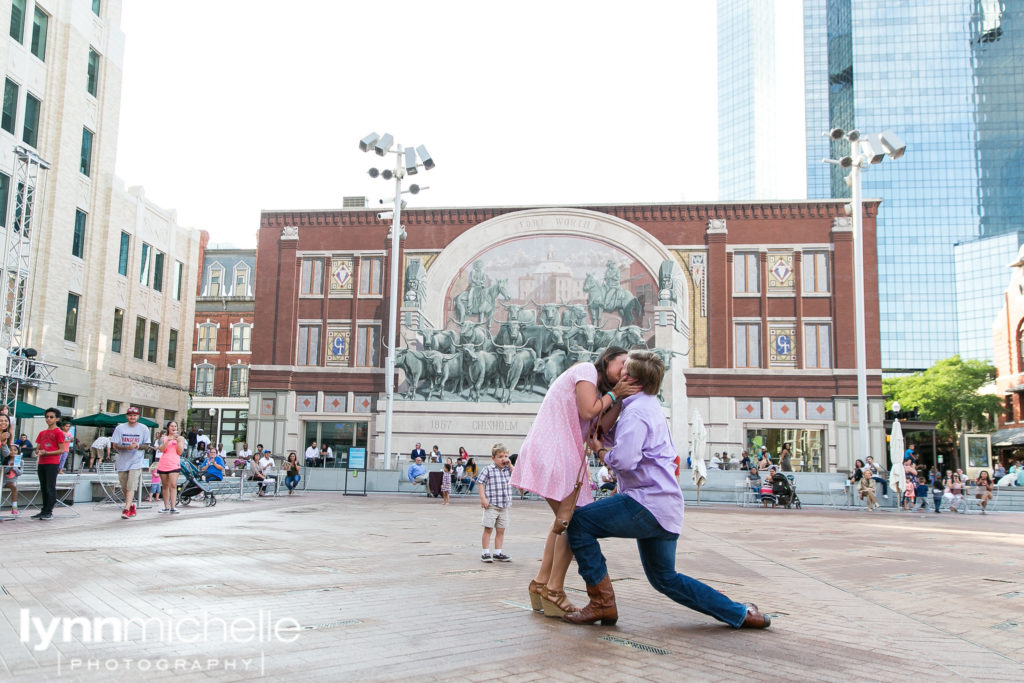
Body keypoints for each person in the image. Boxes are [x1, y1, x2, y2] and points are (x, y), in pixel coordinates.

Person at [564, 350, 770, 629]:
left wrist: (601, 453)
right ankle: (740, 613)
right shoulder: (646, 406)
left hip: (645, 503)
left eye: (625, 368)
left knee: (579, 523)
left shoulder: (636, 412)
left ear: (630, 378)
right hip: (665, 507)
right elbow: (614, 434)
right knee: (665, 578)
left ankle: (602, 603)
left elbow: (625, 459)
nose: (620, 371)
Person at [511, 346, 640, 618]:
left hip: (561, 453)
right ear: (606, 360)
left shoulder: (602, 391)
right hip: (555, 451)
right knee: (576, 520)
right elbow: (587, 410)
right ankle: (554, 591)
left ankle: (541, 583)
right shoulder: (585, 370)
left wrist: (618, 399)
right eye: (622, 363)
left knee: (564, 521)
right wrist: (616, 394)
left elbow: (599, 429)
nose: (625, 370)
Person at [111, 407, 152, 520]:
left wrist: (138, 446)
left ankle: (126, 509)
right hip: (123, 461)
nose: (132, 417)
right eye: (130, 415)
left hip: (136, 462)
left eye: (134, 415)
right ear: (126, 416)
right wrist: (127, 447)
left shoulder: (143, 428)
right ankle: (131, 505)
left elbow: (147, 445)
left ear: (138, 416)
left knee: (131, 485)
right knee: (124, 486)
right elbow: (115, 445)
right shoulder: (120, 428)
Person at [478, 443, 514, 563]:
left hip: (504, 505)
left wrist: (510, 465)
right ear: (493, 458)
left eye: (505, 456)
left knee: (501, 530)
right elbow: (480, 482)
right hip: (492, 505)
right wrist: (483, 498)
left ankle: (497, 552)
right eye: (500, 456)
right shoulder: (488, 469)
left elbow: (516, 477)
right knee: (488, 528)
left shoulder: (508, 470)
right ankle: (485, 552)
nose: (503, 459)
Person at [33, 408, 66, 520]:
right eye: (47, 417)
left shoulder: (59, 432)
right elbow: (37, 448)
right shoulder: (42, 433)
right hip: (42, 463)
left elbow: (62, 450)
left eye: (51, 417)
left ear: (57, 419)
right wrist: (38, 452)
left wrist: (47, 453)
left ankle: (49, 511)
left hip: (52, 463)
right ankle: (44, 510)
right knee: (43, 487)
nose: (48, 419)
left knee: (50, 487)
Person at [155, 420, 185, 514]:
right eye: (172, 426)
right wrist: (168, 440)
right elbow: (162, 449)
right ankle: (166, 507)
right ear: (168, 428)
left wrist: (177, 441)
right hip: (164, 463)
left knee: (173, 484)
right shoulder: (164, 438)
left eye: (175, 426)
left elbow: (180, 452)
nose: (173, 428)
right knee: (165, 485)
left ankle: (173, 506)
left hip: (174, 463)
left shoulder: (180, 438)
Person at [3, 444, 21, 516]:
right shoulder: (5, 461)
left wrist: (14, 467)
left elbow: (20, 473)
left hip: (12, 482)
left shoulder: (20, 461)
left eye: (15, 450)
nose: (13, 451)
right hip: (3, 481)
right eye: (10, 450)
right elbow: (3, 472)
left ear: (18, 452)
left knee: (14, 487)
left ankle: (14, 507)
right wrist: (10, 466)